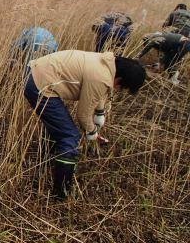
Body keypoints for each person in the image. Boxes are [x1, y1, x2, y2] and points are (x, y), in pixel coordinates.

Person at [24, 50, 146, 200]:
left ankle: (47, 162)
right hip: (40, 86)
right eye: (121, 87)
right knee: (70, 136)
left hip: (37, 74)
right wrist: (92, 132)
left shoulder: (106, 64)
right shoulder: (100, 78)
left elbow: (100, 94)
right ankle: (61, 193)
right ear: (119, 79)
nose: (118, 90)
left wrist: (100, 113)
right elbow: (83, 115)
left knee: (61, 126)